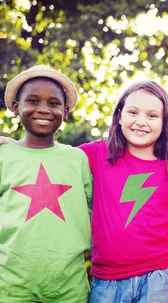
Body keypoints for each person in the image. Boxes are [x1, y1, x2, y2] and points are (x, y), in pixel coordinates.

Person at [80, 80, 168, 302]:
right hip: (106, 280)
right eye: (133, 112)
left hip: (161, 277)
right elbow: (52, 159)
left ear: (165, 122)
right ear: (119, 116)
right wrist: (14, 145)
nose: (141, 122)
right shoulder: (96, 154)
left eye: (152, 115)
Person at [0, 65, 92, 302]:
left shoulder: (77, 159)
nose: (43, 109)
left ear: (66, 111)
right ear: (16, 107)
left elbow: (98, 209)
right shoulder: (3, 156)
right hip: (11, 287)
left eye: (53, 103)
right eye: (33, 101)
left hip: (69, 287)